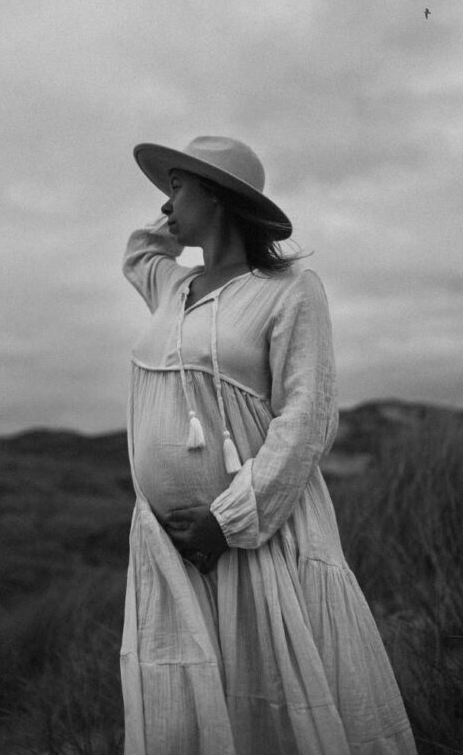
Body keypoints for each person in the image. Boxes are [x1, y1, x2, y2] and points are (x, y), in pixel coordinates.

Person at [121, 135, 416, 755]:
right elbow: (140, 250)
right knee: (191, 714)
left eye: (178, 187)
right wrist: (180, 208)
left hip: (259, 537)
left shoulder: (288, 290)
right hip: (168, 547)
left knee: (278, 704)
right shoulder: (172, 288)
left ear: (220, 196)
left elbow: (307, 417)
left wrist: (226, 521)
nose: (165, 206)